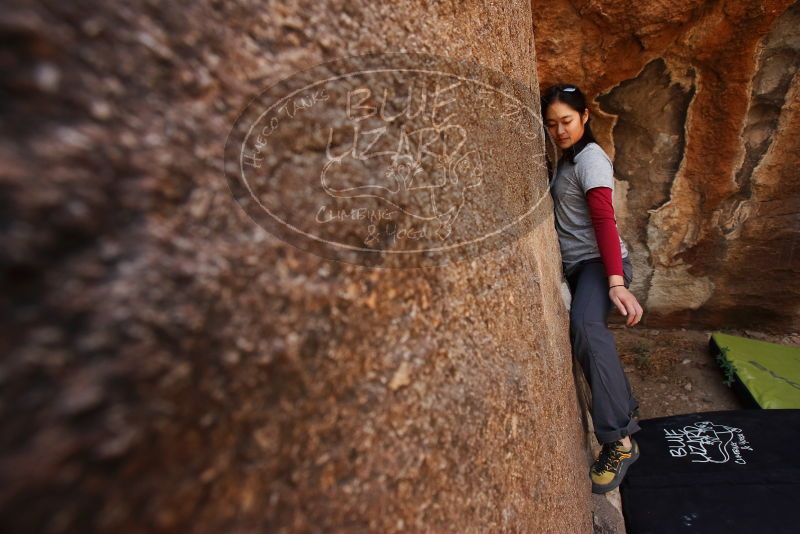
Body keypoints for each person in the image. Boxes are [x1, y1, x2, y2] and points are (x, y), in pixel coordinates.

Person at [541, 83, 645, 494]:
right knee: (585, 330)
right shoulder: (568, 159)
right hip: (582, 267)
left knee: (586, 327)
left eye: (567, 121)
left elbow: (604, 219)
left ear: (585, 117)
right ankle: (623, 409)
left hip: (600, 265)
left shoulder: (591, 160)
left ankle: (619, 441)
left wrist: (616, 283)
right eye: (552, 124)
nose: (560, 130)